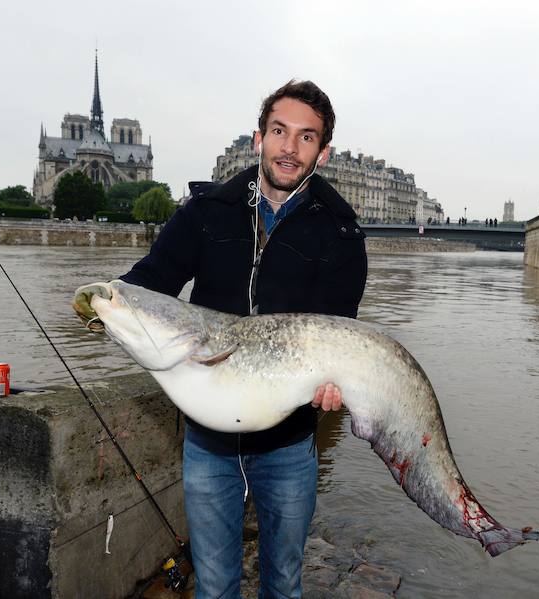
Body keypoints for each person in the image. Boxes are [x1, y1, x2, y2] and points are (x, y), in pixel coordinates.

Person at [118, 80, 367, 598]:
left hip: (290, 441)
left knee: (283, 584)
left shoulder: (342, 235)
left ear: (322, 152)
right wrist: (110, 305)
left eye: (305, 138)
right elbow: (150, 281)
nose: (289, 148)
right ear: (259, 138)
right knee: (213, 587)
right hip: (208, 441)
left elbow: (337, 336)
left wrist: (333, 389)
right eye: (279, 131)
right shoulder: (206, 211)